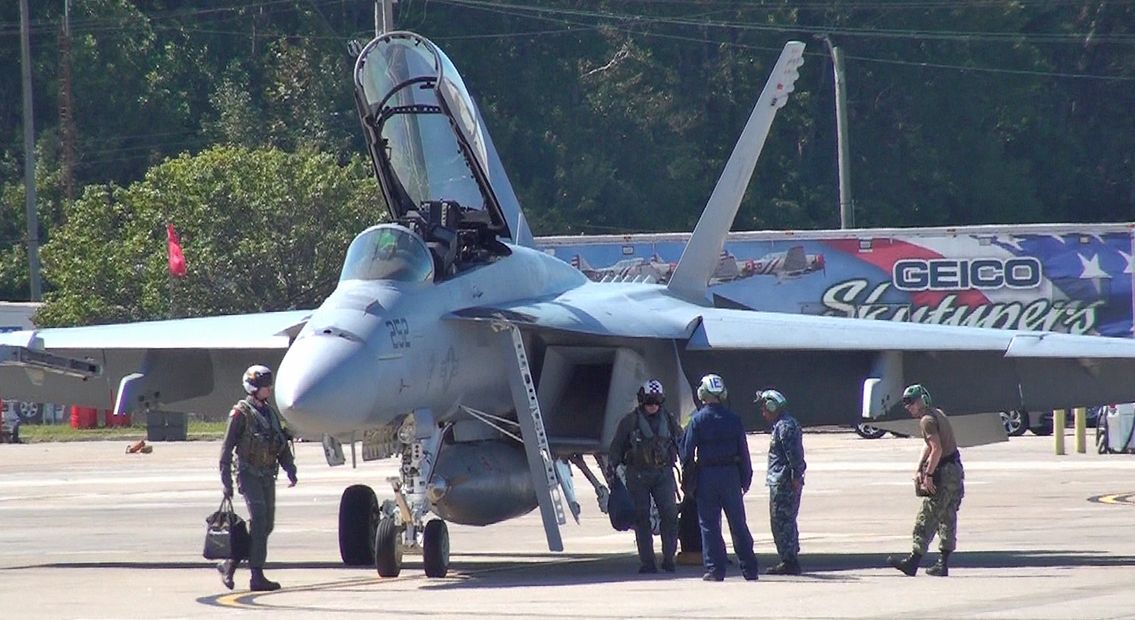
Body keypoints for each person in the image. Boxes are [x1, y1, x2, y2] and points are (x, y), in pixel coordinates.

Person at [217, 364, 298, 591]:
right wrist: (226, 482)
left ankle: (230, 563)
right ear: (253, 387)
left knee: (266, 525)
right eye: (265, 386)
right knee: (260, 520)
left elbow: (279, 443)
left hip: (267, 475)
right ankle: (256, 575)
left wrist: (290, 468)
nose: (269, 389)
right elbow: (226, 449)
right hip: (248, 474)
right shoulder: (240, 414)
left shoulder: (270, 413)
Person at [679, 374, 759, 581]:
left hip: (707, 475)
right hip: (731, 475)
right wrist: (745, 478)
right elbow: (744, 451)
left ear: (702, 393)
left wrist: (688, 481)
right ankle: (749, 568)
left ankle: (715, 570)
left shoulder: (697, 420)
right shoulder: (734, 419)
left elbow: (686, 453)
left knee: (709, 524)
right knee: (738, 523)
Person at [888, 383, 964, 577]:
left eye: (911, 403)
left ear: (921, 401)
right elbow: (930, 446)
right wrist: (920, 466)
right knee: (947, 517)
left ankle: (913, 561)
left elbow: (936, 448)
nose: (908, 407)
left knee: (927, 516)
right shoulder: (937, 414)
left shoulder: (926, 420)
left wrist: (928, 474)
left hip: (944, 472)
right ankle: (943, 563)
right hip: (955, 470)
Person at [609, 379, 682, 574]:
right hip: (638, 474)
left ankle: (669, 558)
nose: (653, 405)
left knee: (670, 515)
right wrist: (612, 468)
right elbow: (616, 447)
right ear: (642, 400)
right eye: (649, 401)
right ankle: (648, 562)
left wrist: (687, 463)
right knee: (641, 519)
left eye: (656, 401)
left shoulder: (669, 420)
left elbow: (680, 442)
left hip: (663, 473)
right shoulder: (630, 421)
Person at [757, 389, 806, 575]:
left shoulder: (785, 427)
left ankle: (789, 560)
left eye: (764, 408)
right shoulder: (783, 424)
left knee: (781, 521)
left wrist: (795, 477)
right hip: (782, 480)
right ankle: (789, 557)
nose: (763, 413)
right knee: (784, 521)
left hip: (784, 482)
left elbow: (794, 456)